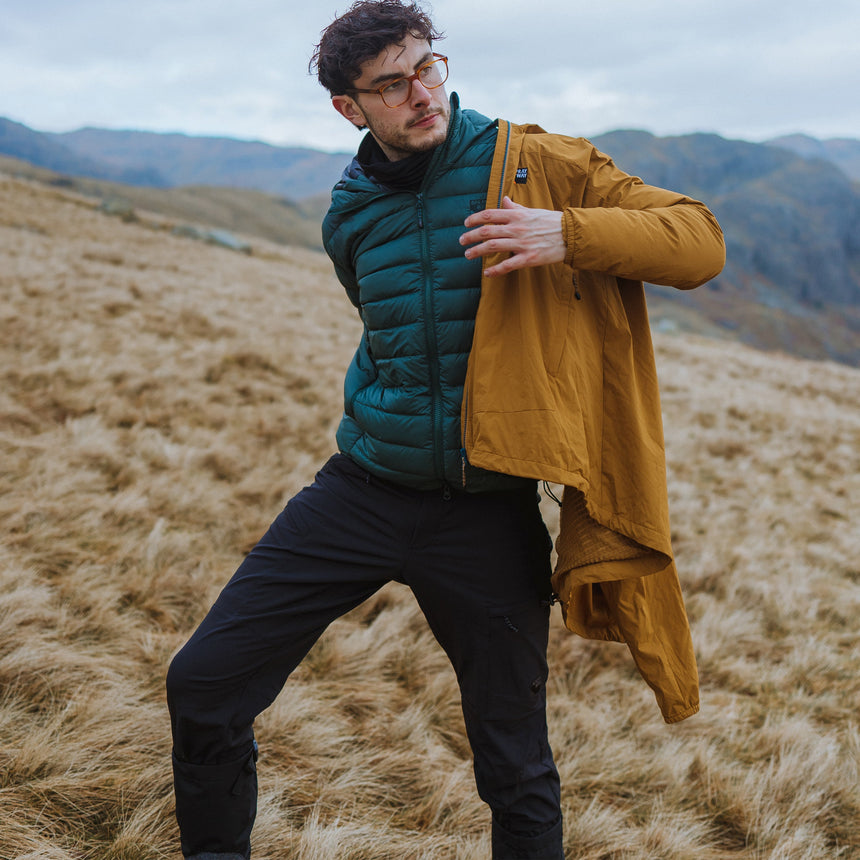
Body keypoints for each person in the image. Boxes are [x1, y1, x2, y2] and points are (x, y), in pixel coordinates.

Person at [165, 1, 726, 858]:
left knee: (515, 763)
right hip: (361, 491)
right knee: (203, 683)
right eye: (391, 84)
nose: (422, 94)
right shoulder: (350, 214)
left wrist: (567, 232)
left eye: (427, 67)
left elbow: (699, 241)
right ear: (350, 108)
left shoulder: (538, 164)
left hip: (486, 512)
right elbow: (389, 338)